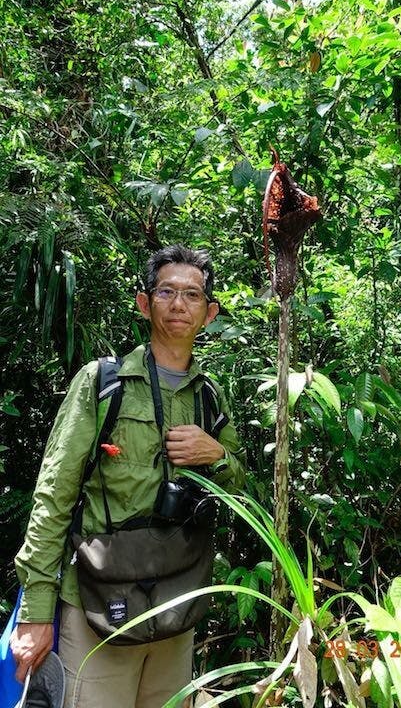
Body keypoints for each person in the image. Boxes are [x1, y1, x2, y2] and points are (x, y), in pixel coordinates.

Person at [10, 244, 246, 708]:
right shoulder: (104, 384)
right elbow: (53, 496)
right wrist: (36, 612)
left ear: (209, 312)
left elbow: (239, 490)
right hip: (100, 600)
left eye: (192, 295)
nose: (179, 304)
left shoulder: (211, 398)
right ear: (144, 302)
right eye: (166, 291)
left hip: (178, 599)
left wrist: (216, 454)